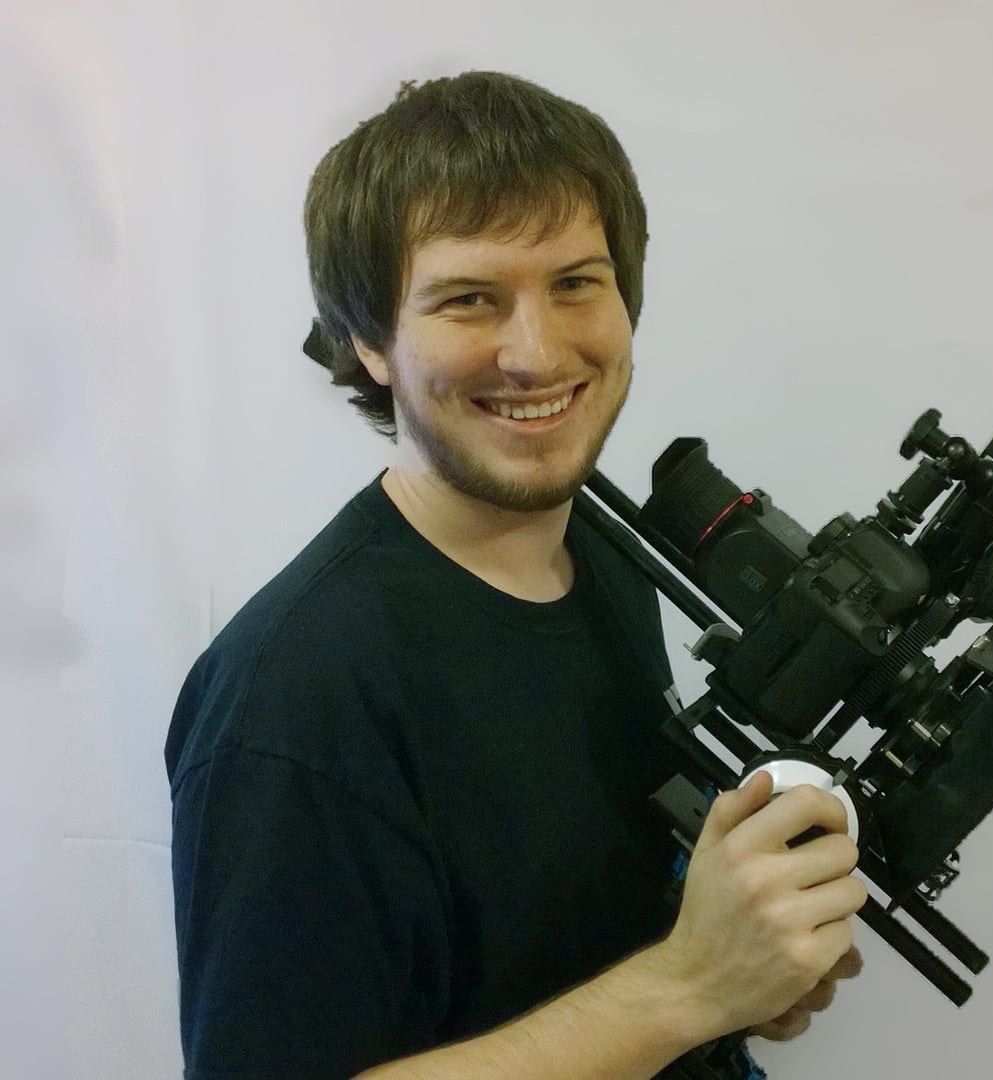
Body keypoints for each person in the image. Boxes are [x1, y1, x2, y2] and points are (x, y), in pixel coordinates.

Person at [165, 71, 867, 1080]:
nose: (535, 354)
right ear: (368, 341)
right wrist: (688, 987)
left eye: (575, 283)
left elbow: (571, 948)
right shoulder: (294, 696)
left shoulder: (605, 559)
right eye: (468, 299)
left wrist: (738, 963)